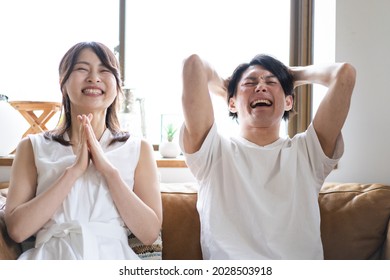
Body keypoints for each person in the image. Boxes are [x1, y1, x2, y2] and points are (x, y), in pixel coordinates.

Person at [179, 53, 356, 259]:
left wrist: (291, 75)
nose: (261, 87)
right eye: (250, 82)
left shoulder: (309, 152)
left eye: (271, 82)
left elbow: (344, 74)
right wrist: (226, 89)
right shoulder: (212, 151)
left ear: (289, 102)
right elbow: (193, 66)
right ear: (232, 104)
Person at [4, 42, 162, 260]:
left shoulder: (138, 148)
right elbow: (18, 230)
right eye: (82, 69)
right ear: (63, 83)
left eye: (105, 70)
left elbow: (149, 233)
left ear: (117, 86)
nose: (94, 78)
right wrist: (73, 172)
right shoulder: (32, 146)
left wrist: (109, 172)